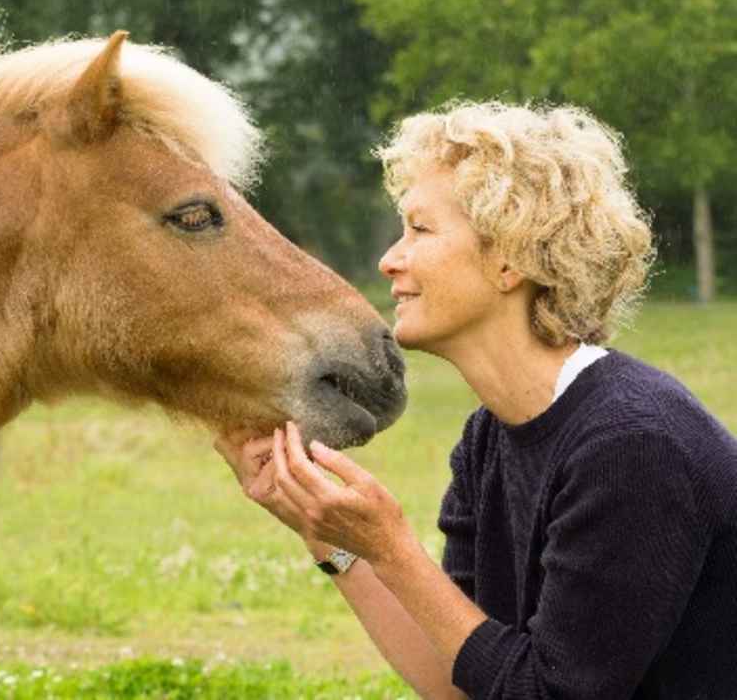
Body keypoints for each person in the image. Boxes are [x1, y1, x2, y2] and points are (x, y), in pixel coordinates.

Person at [214, 101, 737, 700]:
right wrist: (325, 534)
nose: (390, 259)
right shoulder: (489, 439)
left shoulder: (634, 445)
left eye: (420, 229)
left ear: (509, 256)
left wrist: (393, 547)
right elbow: (462, 682)